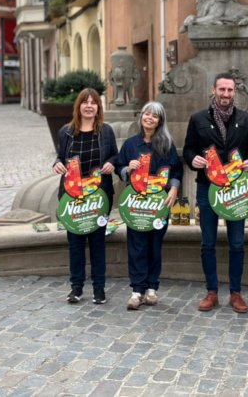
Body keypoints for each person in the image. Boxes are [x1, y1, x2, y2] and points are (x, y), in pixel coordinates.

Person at [183, 72, 248, 313]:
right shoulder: (198, 119)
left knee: (237, 243)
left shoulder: (245, 119)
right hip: (207, 188)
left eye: (230, 90)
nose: (226, 94)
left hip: (236, 189)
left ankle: (235, 293)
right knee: (208, 242)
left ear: (234, 92)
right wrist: (191, 159)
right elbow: (188, 149)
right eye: (222, 90)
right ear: (214, 91)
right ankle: (211, 291)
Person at [52, 88, 117, 305]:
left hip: (99, 196)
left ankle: (99, 289)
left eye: (93, 102)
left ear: (98, 107)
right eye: (85, 102)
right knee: (75, 243)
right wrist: (57, 164)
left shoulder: (106, 131)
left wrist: (112, 163)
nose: (89, 106)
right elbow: (60, 157)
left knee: (98, 242)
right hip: (73, 197)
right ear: (78, 106)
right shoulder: (66, 132)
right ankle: (76, 288)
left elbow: (115, 156)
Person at [115, 101, 182, 310]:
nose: (149, 118)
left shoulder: (167, 145)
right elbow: (118, 166)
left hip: (159, 204)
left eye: (155, 115)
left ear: (160, 121)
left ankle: (152, 287)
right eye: (147, 114)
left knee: (154, 246)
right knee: (136, 246)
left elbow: (176, 170)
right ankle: (137, 290)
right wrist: (127, 168)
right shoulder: (131, 144)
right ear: (141, 116)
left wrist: (173, 189)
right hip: (136, 204)